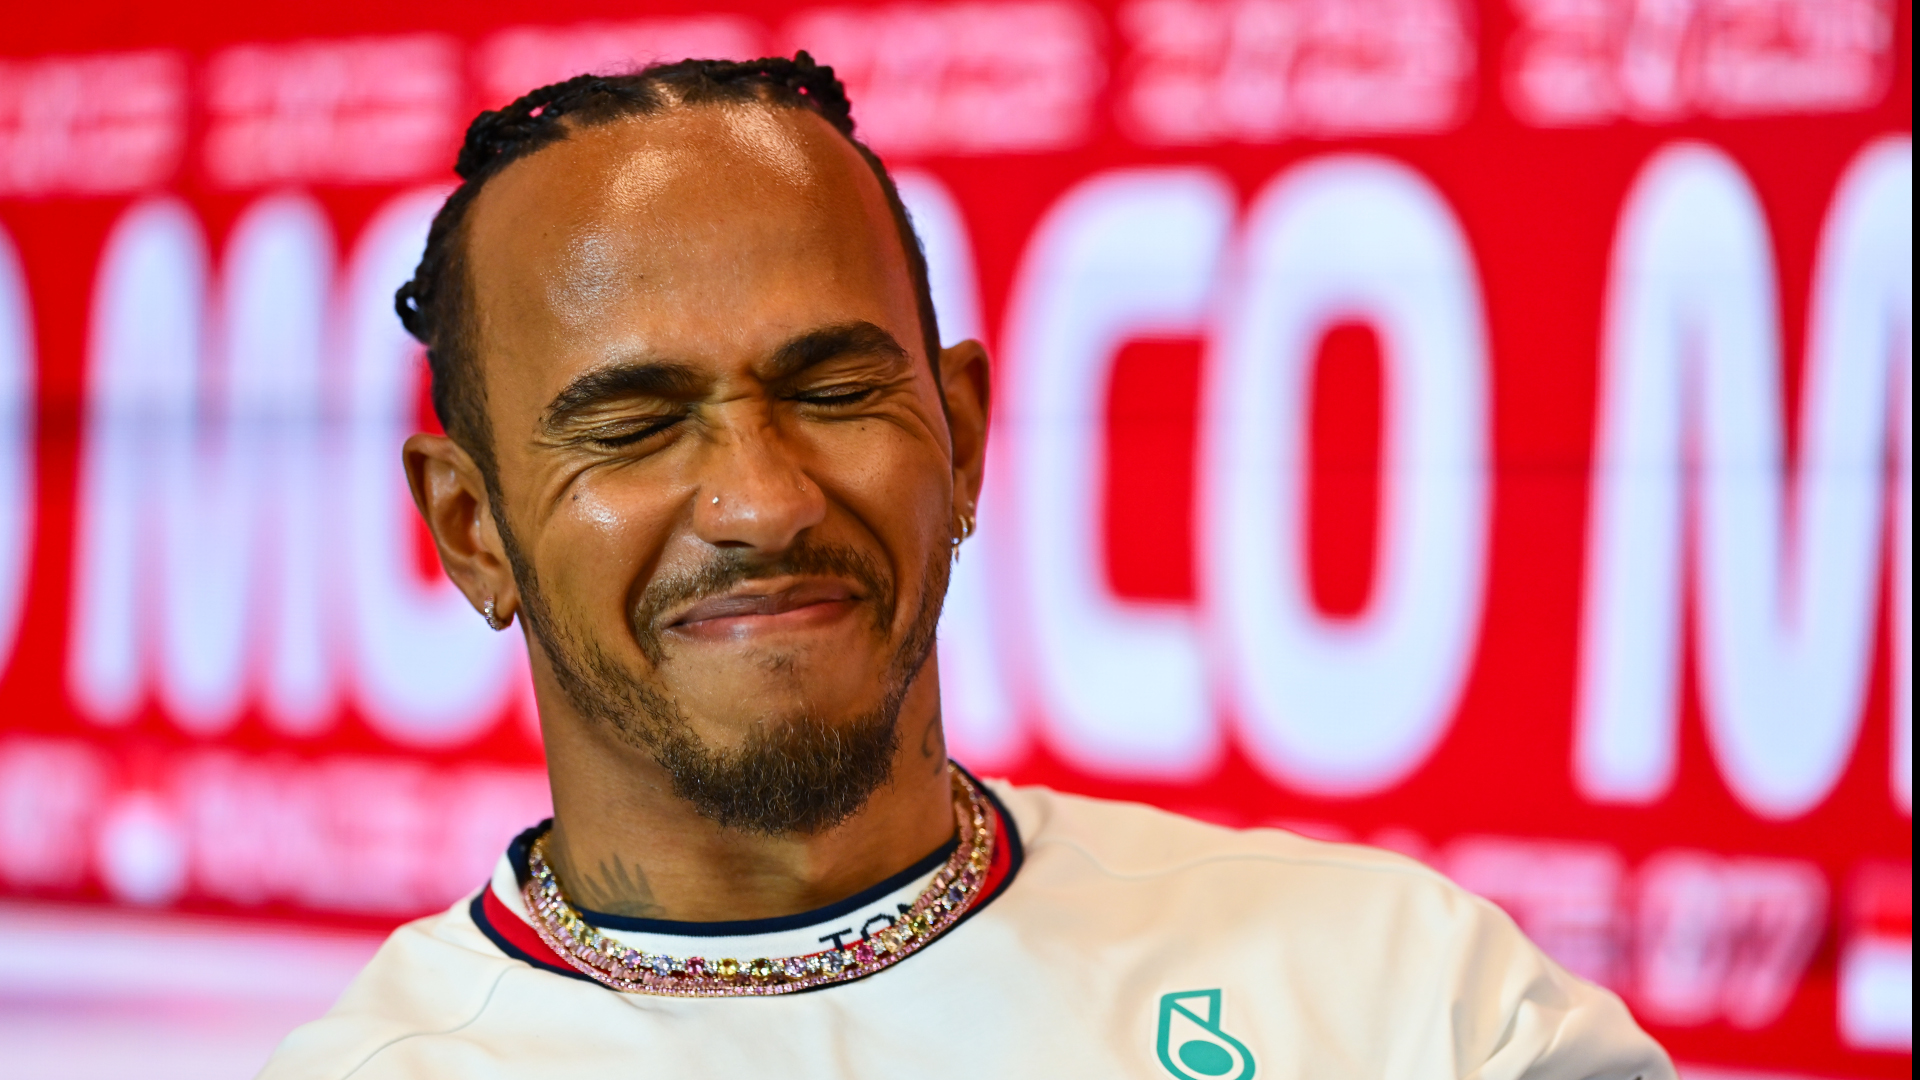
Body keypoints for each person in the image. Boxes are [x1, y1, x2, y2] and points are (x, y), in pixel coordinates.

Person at [259, 54, 1673, 1080]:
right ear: (472, 529)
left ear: (965, 435)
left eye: (833, 391)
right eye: (632, 426)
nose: (762, 501)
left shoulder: (1398, 998)